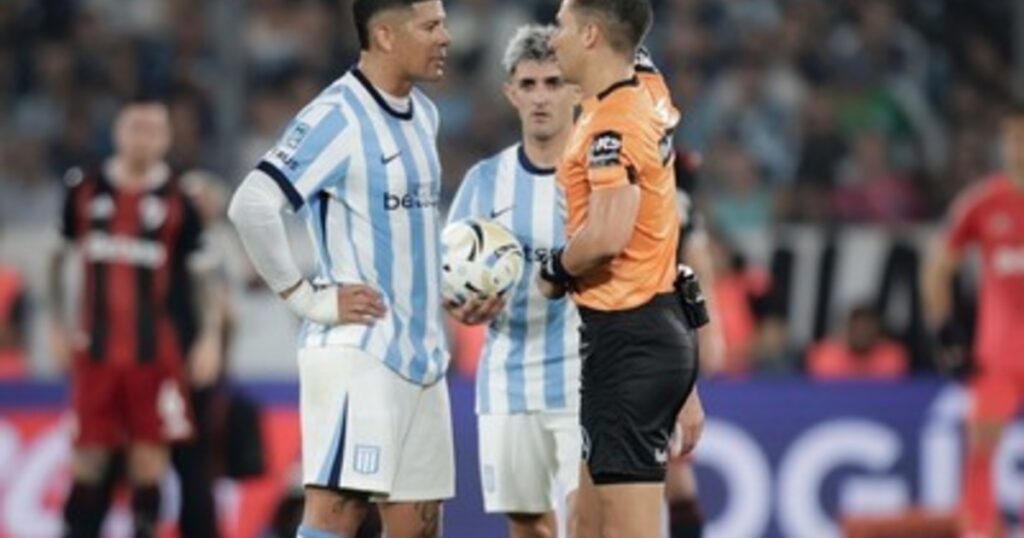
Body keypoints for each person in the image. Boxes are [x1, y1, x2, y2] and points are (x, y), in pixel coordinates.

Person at [227, 1, 453, 537]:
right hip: (361, 351)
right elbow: (251, 204)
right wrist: (307, 299)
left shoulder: (425, 113)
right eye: (431, 26)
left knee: (420, 526)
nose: (446, 37)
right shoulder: (336, 116)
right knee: (337, 515)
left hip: (422, 355)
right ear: (385, 35)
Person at [543, 1, 705, 536]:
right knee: (584, 525)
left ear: (590, 35)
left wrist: (555, 269)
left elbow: (611, 235)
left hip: (628, 342)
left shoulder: (611, 127)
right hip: (645, 332)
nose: (553, 37)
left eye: (562, 25)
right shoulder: (647, 89)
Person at [48, 96, 221, 538]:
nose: (143, 137)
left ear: (166, 137)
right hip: (96, 349)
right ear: (117, 131)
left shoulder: (181, 199)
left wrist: (209, 338)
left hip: (156, 352)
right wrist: (55, 324)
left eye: (153, 129)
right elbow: (57, 258)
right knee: (88, 459)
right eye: (135, 127)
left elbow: (205, 276)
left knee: (150, 461)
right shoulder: (84, 190)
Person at [446, 24, 581, 538]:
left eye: (553, 82)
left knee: (587, 521)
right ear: (510, 93)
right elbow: (450, 272)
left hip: (583, 374)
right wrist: (462, 306)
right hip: (507, 377)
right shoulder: (485, 181)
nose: (541, 97)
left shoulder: (599, 174)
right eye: (528, 84)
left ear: (576, 90)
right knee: (527, 525)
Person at [923, 106, 1024, 538]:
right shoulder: (984, 201)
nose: (1017, 145)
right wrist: (946, 330)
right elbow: (938, 268)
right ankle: (981, 529)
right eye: (1012, 136)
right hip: (998, 351)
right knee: (983, 443)